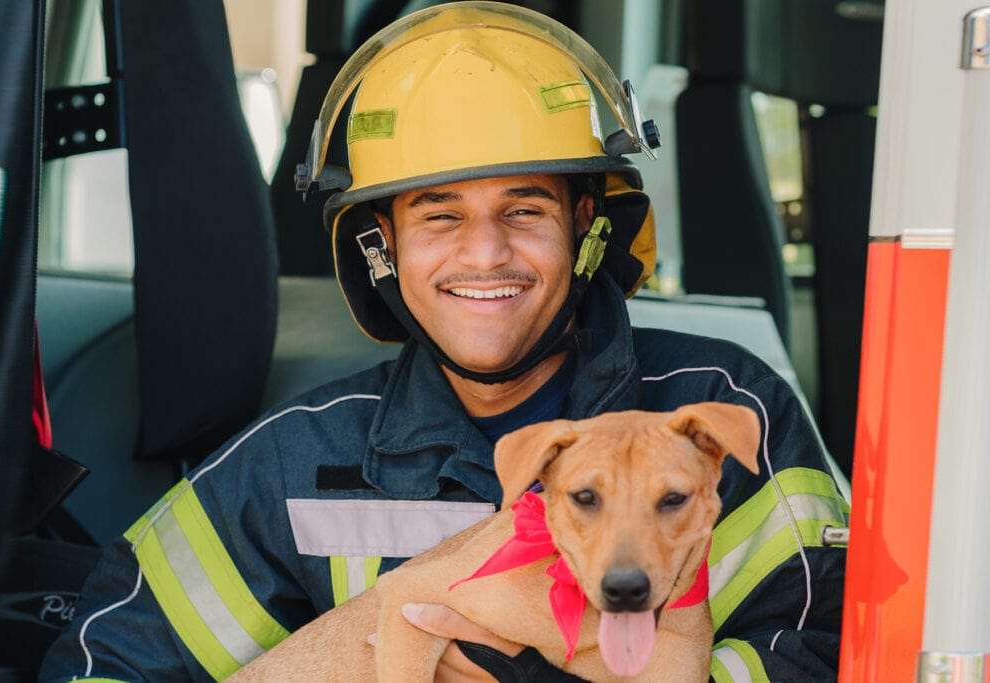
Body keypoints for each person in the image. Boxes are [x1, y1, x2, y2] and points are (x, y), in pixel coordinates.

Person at [41, 2, 847, 681]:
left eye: (525, 209)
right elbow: (105, 660)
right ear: (381, 246)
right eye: (439, 215)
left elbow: (823, 650)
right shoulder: (297, 456)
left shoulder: (728, 410)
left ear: (585, 225)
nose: (485, 253)